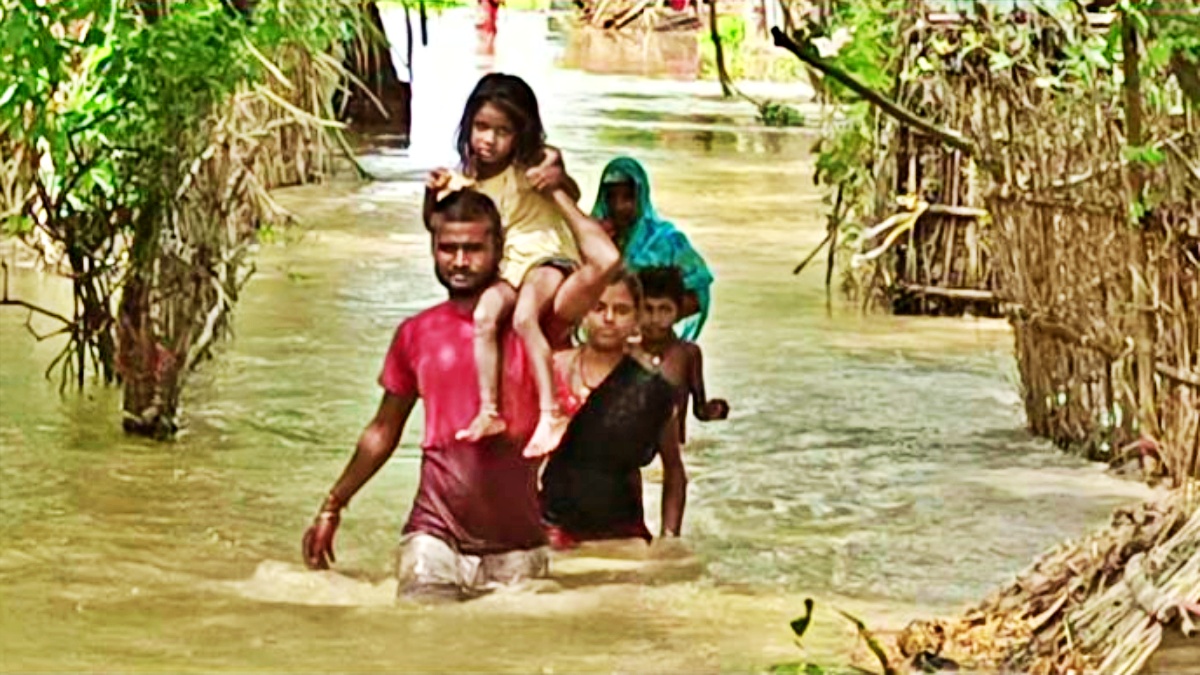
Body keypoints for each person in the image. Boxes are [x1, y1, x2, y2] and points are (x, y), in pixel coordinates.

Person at [301, 185, 621, 601]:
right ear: (433, 248)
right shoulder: (416, 334)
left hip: (518, 544)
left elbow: (605, 260)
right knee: (425, 641)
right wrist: (333, 505)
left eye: (473, 248)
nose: (460, 261)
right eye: (447, 248)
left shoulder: (539, 322)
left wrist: (556, 191)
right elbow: (383, 430)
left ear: (499, 248)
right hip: (435, 536)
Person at [423, 73, 584, 459]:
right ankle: (489, 411)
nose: (489, 139)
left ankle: (552, 413)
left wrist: (557, 176)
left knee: (525, 317)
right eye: (481, 127)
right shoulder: (469, 182)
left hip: (548, 255)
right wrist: (431, 195)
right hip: (511, 264)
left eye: (502, 131)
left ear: (521, 133)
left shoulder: (534, 163)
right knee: (484, 316)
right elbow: (437, 225)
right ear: (468, 126)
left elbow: (571, 193)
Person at [540, 272, 689, 550]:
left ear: (636, 319)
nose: (609, 318)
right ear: (583, 313)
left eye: (621, 310)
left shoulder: (651, 388)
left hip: (622, 533)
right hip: (555, 528)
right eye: (598, 308)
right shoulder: (554, 370)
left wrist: (670, 543)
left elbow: (674, 469)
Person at [591, 156, 714, 341]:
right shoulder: (591, 237)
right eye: (611, 197)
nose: (618, 206)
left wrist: (648, 321)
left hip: (650, 341)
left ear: (641, 196)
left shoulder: (667, 241)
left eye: (628, 197)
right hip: (602, 338)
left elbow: (698, 296)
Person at [637, 266, 729, 444]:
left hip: (674, 456)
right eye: (648, 309)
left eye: (664, 310)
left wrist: (713, 410)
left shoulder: (688, 354)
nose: (655, 319)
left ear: (679, 312)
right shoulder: (625, 352)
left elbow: (699, 410)